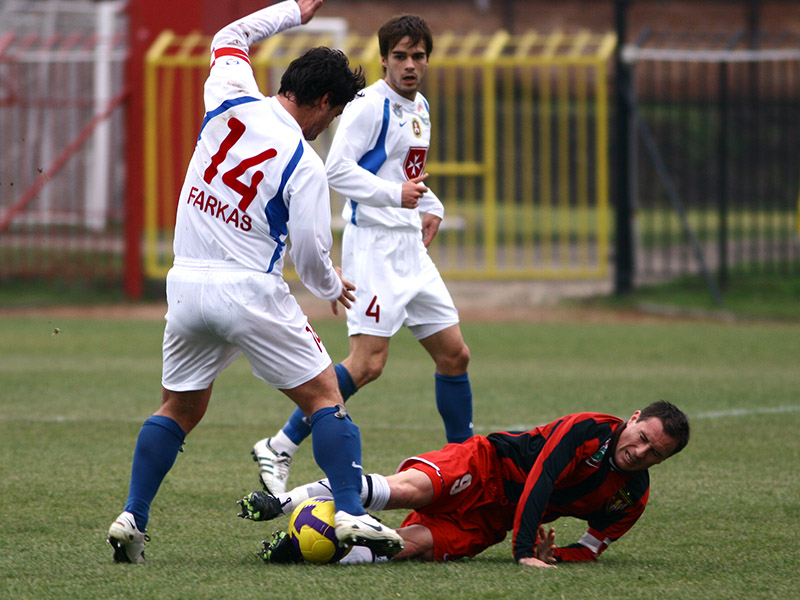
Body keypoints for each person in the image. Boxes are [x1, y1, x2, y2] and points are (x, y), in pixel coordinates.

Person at [106, 0, 405, 564]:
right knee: (326, 399)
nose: (328, 125)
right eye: (332, 114)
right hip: (249, 291)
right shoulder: (304, 160)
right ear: (320, 102)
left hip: (187, 286)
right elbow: (312, 258)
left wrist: (294, 9)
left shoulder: (231, 92)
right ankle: (351, 513)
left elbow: (231, 33)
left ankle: (132, 516)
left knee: (178, 408)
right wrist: (332, 283)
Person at [251, 13, 473, 497]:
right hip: (372, 245)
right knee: (368, 363)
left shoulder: (421, 107)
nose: (409, 65)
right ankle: (281, 443)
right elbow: (337, 171)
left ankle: (467, 462)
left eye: (417, 56)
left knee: (454, 355)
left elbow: (406, 170)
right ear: (384, 59)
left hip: (409, 246)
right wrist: (397, 197)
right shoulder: (367, 106)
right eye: (399, 56)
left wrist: (429, 204)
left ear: (427, 59)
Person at [238, 401, 690, 567]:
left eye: (656, 453)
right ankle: (284, 500)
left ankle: (301, 548)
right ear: (632, 419)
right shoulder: (588, 428)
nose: (641, 451)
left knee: (402, 546)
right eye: (642, 437)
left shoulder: (631, 498)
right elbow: (541, 478)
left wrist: (559, 556)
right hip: (484, 464)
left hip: (492, 520)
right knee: (408, 491)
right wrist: (526, 551)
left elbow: (592, 549)